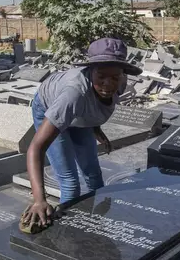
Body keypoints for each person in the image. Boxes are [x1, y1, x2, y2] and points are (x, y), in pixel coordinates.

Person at [22, 38, 142, 228]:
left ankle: (97, 225)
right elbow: (36, 148)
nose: (108, 84)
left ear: (122, 74)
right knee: (70, 182)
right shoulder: (73, 94)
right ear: (91, 70)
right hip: (50, 104)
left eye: (114, 77)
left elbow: (93, 105)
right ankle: (70, 234)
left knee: (93, 173)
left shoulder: (121, 81)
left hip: (76, 113)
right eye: (101, 76)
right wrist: (39, 200)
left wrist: (95, 126)